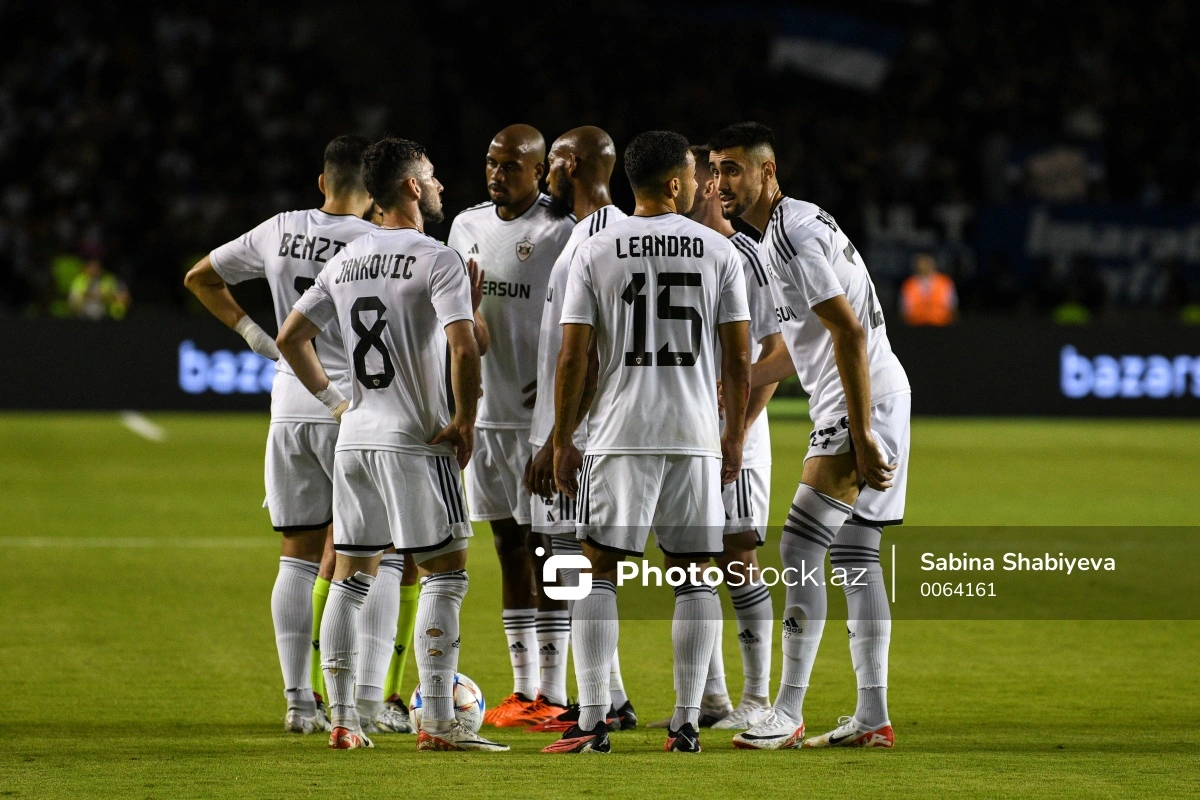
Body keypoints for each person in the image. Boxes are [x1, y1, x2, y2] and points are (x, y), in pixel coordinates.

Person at [276, 136, 507, 752]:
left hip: (356, 438)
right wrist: (466, 419)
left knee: (350, 576)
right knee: (446, 576)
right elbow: (464, 346)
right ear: (410, 186)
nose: (436, 185)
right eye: (429, 176)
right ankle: (438, 723)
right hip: (416, 440)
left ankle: (346, 720)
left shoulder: (345, 260)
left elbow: (291, 337)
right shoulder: (436, 257)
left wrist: (335, 401)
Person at [184, 135, 412, 735]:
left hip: (291, 401)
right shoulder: (377, 241)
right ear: (373, 191)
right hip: (358, 408)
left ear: (321, 182)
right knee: (378, 557)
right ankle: (364, 701)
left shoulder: (280, 229)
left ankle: (296, 702)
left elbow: (200, 278)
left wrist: (261, 342)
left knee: (297, 555)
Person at [543, 131, 751, 754]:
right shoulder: (719, 252)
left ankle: (592, 724)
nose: (699, 186)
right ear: (673, 184)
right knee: (695, 576)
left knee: (598, 571)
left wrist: (561, 438)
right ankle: (686, 722)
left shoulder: (596, 249)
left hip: (619, 434)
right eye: (693, 176)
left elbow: (573, 355)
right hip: (692, 435)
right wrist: (733, 436)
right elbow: (738, 359)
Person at [709, 122, 909, 750]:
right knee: (855, 558)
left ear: (769, 172)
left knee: (798, 549)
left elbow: (848, 332)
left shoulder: (790, 235)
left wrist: (862, 429)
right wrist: (731, 384)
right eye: (715, 170)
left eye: (733, 170)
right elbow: (802, 349)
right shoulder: (778, 233)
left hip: (862, 401)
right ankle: (872, 716)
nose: (720, 184)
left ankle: (787, 711)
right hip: (873, 395)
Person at [446, 125, 574, 727]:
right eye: (491, 163)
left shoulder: (564, 230)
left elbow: (587, 319)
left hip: (544, 423)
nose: (497, 175)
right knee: (507, 547)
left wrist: (559, 393)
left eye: (510, 167)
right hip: (487, 415)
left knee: (557, 550)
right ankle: (526, 691)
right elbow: (456, 315)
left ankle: (562, 688)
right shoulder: (466, 226)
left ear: (540, 169)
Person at [660, 144, 781, 731]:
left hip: (735, 439)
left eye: (706, 177)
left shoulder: (748, 258)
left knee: (738, 558)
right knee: (689, 564)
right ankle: (711, 699)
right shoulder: (676, 252)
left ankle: (757, 699)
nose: (702, 186)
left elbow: (779, 353)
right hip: (684, 434)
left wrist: (741, 421)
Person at [523, 126, 636, 734]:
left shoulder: (597, 239)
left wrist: (559, 439)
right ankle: (608, 696)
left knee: (576, 566)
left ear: (569, 163)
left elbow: (589, 355)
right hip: (571, 427)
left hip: (583, 439)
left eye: (551, 163)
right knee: (563, 562)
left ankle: (603, 705)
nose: (544, 173)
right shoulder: (591, 236)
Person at [900, 251, 957, 326]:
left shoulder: (945, 282)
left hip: (941, 327)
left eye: (927, 261)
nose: (924, 265)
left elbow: (952, 308)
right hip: (915, 328)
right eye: (922, 262)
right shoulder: (909, 284)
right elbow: (904, 311)